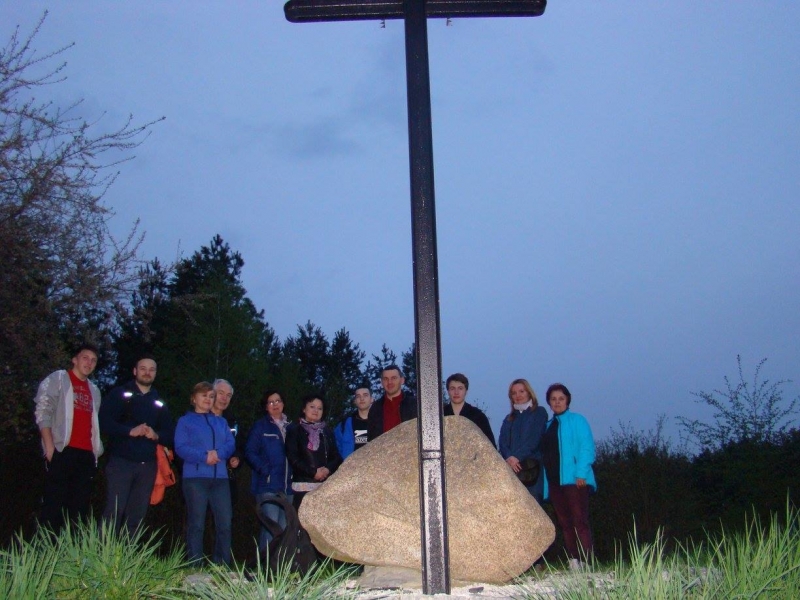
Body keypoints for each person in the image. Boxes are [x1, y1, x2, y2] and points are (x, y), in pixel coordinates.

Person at [100, 355, 174, 534]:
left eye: (151, 369)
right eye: (143, 368)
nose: (147, 373)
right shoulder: (120, 394)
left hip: (147, 466)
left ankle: (128, 551)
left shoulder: (159, 402)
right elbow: (103, 422)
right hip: (121, 462)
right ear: (135, 371)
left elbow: (170, 434)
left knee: (137, 516)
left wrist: (156, 435)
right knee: (113, 511)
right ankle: (103, 550)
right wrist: (129, 431)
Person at [34, 343, 104, 532]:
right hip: (62, 450)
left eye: (93, 360)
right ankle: (47, 548)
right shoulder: (58, 379)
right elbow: (43, 412)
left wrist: (96, 451)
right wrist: (49, 447)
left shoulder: (94, 390)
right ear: (74, 359)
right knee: (53, 507)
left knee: (79, 512)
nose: (89, 363)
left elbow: (93, 423)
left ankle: (74, 549)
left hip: (86, 456)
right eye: (85, 358)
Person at [175, 381, 236, 566]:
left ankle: (222, 565)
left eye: (211, 396)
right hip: (195, 478)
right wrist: (204, 456)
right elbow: (180, 447)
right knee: (197, 524)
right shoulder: (185, 421)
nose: (208, 399)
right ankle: (195, 565)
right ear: (194, 398)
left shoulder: (221, 422)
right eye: (204, 396)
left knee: (225, 523)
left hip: (220, 479)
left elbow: (230, 443)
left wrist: (218, 454)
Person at [541, 383, 597, 570]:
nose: (557, 402)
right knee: (565, 523)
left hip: (575, 480)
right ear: (549, 402)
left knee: (579, 521)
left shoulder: (578, 421)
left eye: (561, 398)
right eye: (553, 399)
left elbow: (587, 447)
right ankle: (574, 560)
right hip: (555, 482)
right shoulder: (548, 426)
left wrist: (581, 473)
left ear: (567, 400)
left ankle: (586, 561)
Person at [245, 389, 292, 553]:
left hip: (288, 486)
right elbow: (250, 452)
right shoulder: (261, 426)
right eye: (271, 402)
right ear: (266, 406)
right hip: (268, 485)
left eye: (278, 401)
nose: (275, 404)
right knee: (270, 528)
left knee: (285, 529)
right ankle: (265, 565)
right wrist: (265, 470)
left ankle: (279, 565)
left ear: (283, 404)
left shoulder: (291, 426)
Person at [285, 394, 341, 509]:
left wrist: (327, 469)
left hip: (324, 486)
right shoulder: (294, 430)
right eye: (312, 407)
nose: (316, 410)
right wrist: (313, 472)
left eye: (319, 408)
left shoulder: (327, 432)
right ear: (304, 409)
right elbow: (292, 457)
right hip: (302, 486)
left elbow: (336, 456)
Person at [499, 379, 548, 502]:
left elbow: (534, 439)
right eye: (514, 393)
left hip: (531, 470)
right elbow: (502, 442)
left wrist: (517, 457)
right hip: (511, 470)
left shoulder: (539, 412)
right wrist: (509, 457)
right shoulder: (508, 419)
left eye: (521, 391)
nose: (518, 395)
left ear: (529, 393)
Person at [443, 373, 496, 448]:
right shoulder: (440, 415)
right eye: (452, 388)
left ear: (466, 391)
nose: (456, 392)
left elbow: (490, 447)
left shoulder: (478, 416)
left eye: (460, 388)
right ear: (448, 391)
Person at [366, 365, 418, 440]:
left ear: (402, 380)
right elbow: (371, 438)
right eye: (385, 379)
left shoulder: (414, 404)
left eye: (394, 378)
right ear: (382, 382)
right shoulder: (375, 408)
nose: (389, 382)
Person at [211, 379, 242, 504]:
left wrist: (237, 458)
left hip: (225, 481)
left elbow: (240, 446)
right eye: (221, 393)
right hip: (200, 479)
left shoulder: (233, 421)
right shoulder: (197, 418)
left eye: (228, 395)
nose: (224, 398)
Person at [334, 385, 373, 459]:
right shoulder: (344, 425)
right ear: (355, 401)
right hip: (352, 465)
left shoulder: (380, 421)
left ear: (371, 399)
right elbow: (335, 447)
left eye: (365, 395)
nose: (362, 399)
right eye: (358, 396)